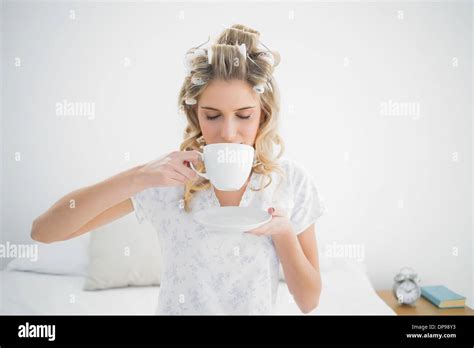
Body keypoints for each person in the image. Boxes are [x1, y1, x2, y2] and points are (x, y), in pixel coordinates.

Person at [31, 24, 325, 315]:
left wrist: (284, 232)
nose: (228, 132)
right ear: (195, 114)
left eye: (244, 115)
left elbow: (309, 301)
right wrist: (139, 176)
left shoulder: (288, 181)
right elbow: (44, 232)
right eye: (212, 116)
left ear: (263, 115)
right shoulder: (167, 179)